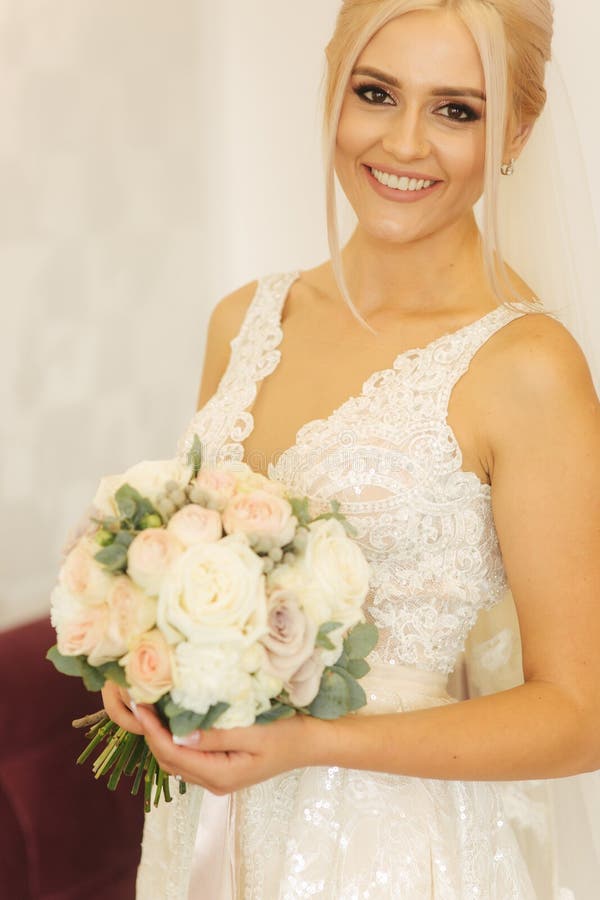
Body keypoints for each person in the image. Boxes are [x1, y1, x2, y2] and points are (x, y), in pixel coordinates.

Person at [102, 1, 600, 896]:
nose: (405, 143)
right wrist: (143, 652)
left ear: (515, 130)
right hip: (205, 832)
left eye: (457, 109)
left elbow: (581, 713)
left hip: (393, 854)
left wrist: (315, 743)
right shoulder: (243, 319)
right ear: (334, 93)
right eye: (377, 93)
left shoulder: (527, 368)